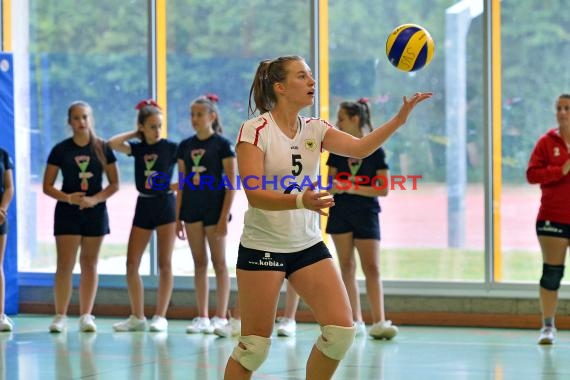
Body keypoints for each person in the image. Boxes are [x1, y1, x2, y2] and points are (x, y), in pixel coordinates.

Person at [223, 55, 431, 379]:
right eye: (302, 76)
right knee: (254, 348)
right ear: (280, 87)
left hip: (306, 245)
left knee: (340, 333)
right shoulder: (254, 130)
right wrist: (300, 200)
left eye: (310, 75)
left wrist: (399, 120)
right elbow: (255, 194)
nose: (311, 82)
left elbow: (361, 148)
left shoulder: (316, 128)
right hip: (263, 247)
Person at [43, 100, 119, 333]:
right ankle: (60, 315)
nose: (81, 122)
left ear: (90, 119)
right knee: (65, 264)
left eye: (85, 117)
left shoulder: (103, 147)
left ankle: (86, 315)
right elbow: (47, 186)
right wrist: (69, 198)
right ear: (69, 122)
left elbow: (114, 183)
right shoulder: (61, 149)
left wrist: (94, 199)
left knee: (89, 263)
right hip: (67, 212)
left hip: (95, 211)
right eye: (76, 118)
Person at [326, 98, 398, 339]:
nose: (337, 123)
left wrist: (351, 187)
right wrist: (340, 187)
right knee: (346, 266)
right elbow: (330, 184)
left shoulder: (376, 150)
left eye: (341, 118)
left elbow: (383, 187)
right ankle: (354, 320)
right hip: (340, 213)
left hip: (366, 213)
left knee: (372, 268)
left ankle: (379, 320)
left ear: (355, 119)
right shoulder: (337, 151)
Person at [108, 99, 178, 332]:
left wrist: (178, 186)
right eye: (151, 126)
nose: (157, 130)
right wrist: (135, 132)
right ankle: (137, 315)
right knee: (131, 262)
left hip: (166, 204)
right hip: (144, 204)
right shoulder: (137, 148)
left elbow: (188, 169)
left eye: (159, 125)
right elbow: (112, 143)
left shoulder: (170, 147)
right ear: (142, 128)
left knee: (164, 263)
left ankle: (160, 315)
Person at [176, 94, 237, 334]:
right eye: (192, 114)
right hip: (192, 208)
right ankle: (201, 315)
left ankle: (220, 316)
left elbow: (232, 183)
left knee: (219, 263)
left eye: (199, 114)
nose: (195, 119)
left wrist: (224, 217)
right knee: (199, 263)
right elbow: (181, 183)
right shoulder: (185, 146)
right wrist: (178, 216)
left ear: (212, 116)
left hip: (215, 208)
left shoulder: (222, 145)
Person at [527, 93, 570, 345]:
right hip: (552, 218)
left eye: (567, 108)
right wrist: (561, 169)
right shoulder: (546, 142)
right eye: (559, 108)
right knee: (552, 274)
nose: (563, 112)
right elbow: (532, 175)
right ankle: (547, 326)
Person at [0, 148, 14, 332]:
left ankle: (0, 315)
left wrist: (2, 209)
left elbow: (9, 187)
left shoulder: (3, 153)